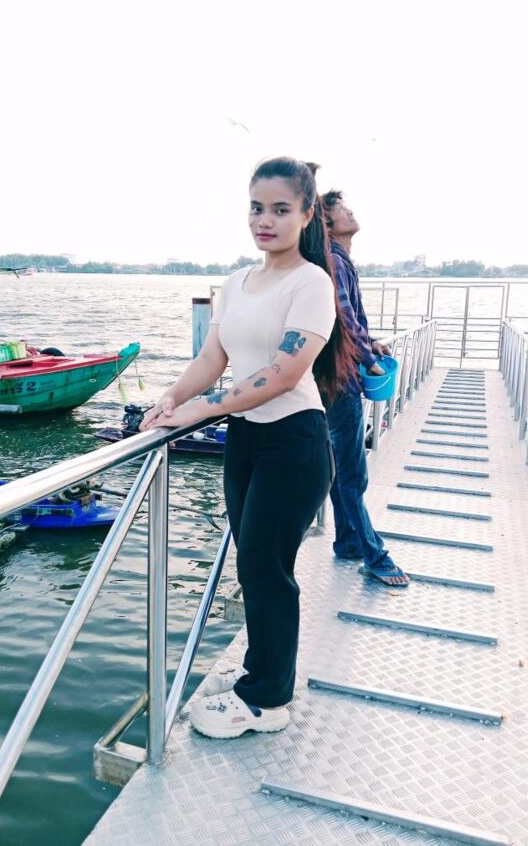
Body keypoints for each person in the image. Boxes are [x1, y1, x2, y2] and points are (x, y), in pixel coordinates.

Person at [142, 157, 357, 739]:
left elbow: (285, 373)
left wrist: (203, 409)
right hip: (245, 439)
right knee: (252, 564)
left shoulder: (311, 282)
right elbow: (212, 357)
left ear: (307, 215)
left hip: (294, 441)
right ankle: (258, 674)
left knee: (267, 567)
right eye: (257, 208)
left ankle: (267, 701)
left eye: (281, 209)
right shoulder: (237, 282)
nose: (266, 220)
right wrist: (172, 398)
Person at [320, 188, 409, 587]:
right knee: (353, 473)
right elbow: (343, 320)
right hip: (341, 380)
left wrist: (369, 343)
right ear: (328, 223)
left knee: (343, 467)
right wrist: (369, 359)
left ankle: (348, 541)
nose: (351, 212)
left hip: (336, 377)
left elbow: (350, 321)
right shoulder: (335, 262)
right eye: (343, 209)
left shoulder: (339, 260)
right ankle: (375, 556)